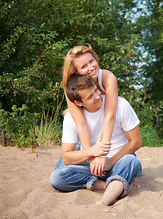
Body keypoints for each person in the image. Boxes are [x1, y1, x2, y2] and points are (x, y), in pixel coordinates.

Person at [50, 74, 142, 206]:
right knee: (57, 178)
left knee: (131, 161)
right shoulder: (71, 118)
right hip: (91, 167)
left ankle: (103, 202)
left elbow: (136, 141)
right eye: (90, 96)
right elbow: (66, 157)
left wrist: (109, 162)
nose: (98, 96)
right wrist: (92, 151)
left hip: (117, 161)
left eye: (96, 90)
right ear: (79, 103)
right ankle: (110, 185)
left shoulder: (121, 104)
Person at [62, 45, 118, 176]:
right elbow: (81, 123)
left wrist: (102, 154)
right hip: (86, 145)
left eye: (91, 61)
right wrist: (92, 157)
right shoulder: (70, 90)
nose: (91, 67)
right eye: (84, 66)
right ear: (75, 72)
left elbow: (109, 116)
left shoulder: (107, 78)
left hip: (110, 142)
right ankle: (98, 182)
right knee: (59, 175)